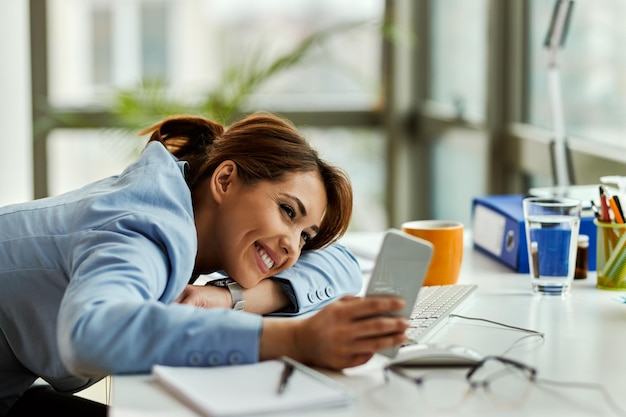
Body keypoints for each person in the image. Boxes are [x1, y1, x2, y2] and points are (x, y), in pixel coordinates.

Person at [0, 113, 408, 416]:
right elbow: (91, 333)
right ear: (225, 180)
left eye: (305, 234)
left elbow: (340, 259)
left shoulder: (175, 201)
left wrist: (233, 297)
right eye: (287, 211)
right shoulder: (145, 227)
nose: (292, 248)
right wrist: (294, 340)